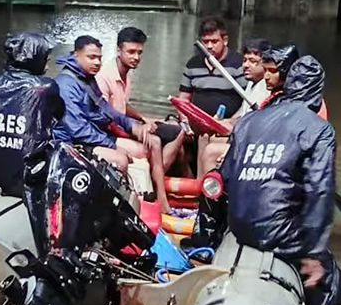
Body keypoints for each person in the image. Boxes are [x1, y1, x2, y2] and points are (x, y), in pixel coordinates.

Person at [219, 44, 341, 305]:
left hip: (238, 225)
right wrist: (315, 254)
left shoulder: (249, 121)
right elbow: (320, 190)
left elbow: (226, 176)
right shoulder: (318, 129)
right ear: (317, 93)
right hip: (278, 233)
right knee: (339, 288)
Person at [54, 35, 173, 212]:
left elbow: (108, 110)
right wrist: (112, 145)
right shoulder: (66, 84)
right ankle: (121, 210)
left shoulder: (86, 78)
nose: (97, 62)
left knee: (151, 144)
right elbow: (78, 130)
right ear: (76, 55)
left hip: (94, 135)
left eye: (99, 58)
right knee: (120, 159)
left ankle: (159, 200)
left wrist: (134, 126)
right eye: (91, 57)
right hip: (74, 143)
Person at [0, 31, 62, 197]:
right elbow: (59, 116)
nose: (48, 59)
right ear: (33, 57)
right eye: (45, 54)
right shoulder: (45, 88)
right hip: (31, 175)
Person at [196, 39, 294, 175]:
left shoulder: (268, 89)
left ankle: (208, 189)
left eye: (253, 61)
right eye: (245, 60)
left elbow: (256, 122)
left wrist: (232, 127)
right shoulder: (251, 84)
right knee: (206, 136)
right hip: (248, 137)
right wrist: (221, 122)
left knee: (211, 150)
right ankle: (201, 185)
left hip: (260, 145)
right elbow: (242, 113)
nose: (246, 65)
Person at [96, 27, 186, 171]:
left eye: (139, 53)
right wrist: (136, 129)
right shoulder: (104, 77)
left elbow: (123, 106)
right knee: (170, 137)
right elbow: (103, 117)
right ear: (119, 51)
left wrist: (144, 119)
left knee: (180, 135)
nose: (136, 57)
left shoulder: (127, 74)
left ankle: (162, 174)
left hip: (125, 124)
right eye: (131, 52)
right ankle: (159, 175)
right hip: (114, 131)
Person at [178, 17, 247, 119]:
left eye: (214, 41)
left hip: (228, 123)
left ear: (225, 41)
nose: (209, 46)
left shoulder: (238, 64)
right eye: (205, 42)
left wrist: (231, 122)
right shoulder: (193, 64)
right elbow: (183, 99)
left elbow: (247, 102)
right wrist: (185, 120)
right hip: (196, 121)